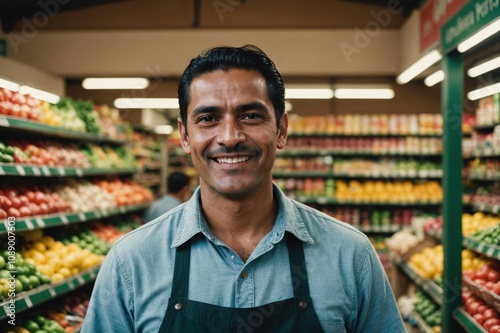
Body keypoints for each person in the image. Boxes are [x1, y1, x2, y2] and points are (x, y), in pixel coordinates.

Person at [82, 45, 407, 332]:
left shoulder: (349, 255)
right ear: (184, 136)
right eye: (208, 118)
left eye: (250, 115)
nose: (229, 136)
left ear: (281, 129)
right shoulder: (132, 261)